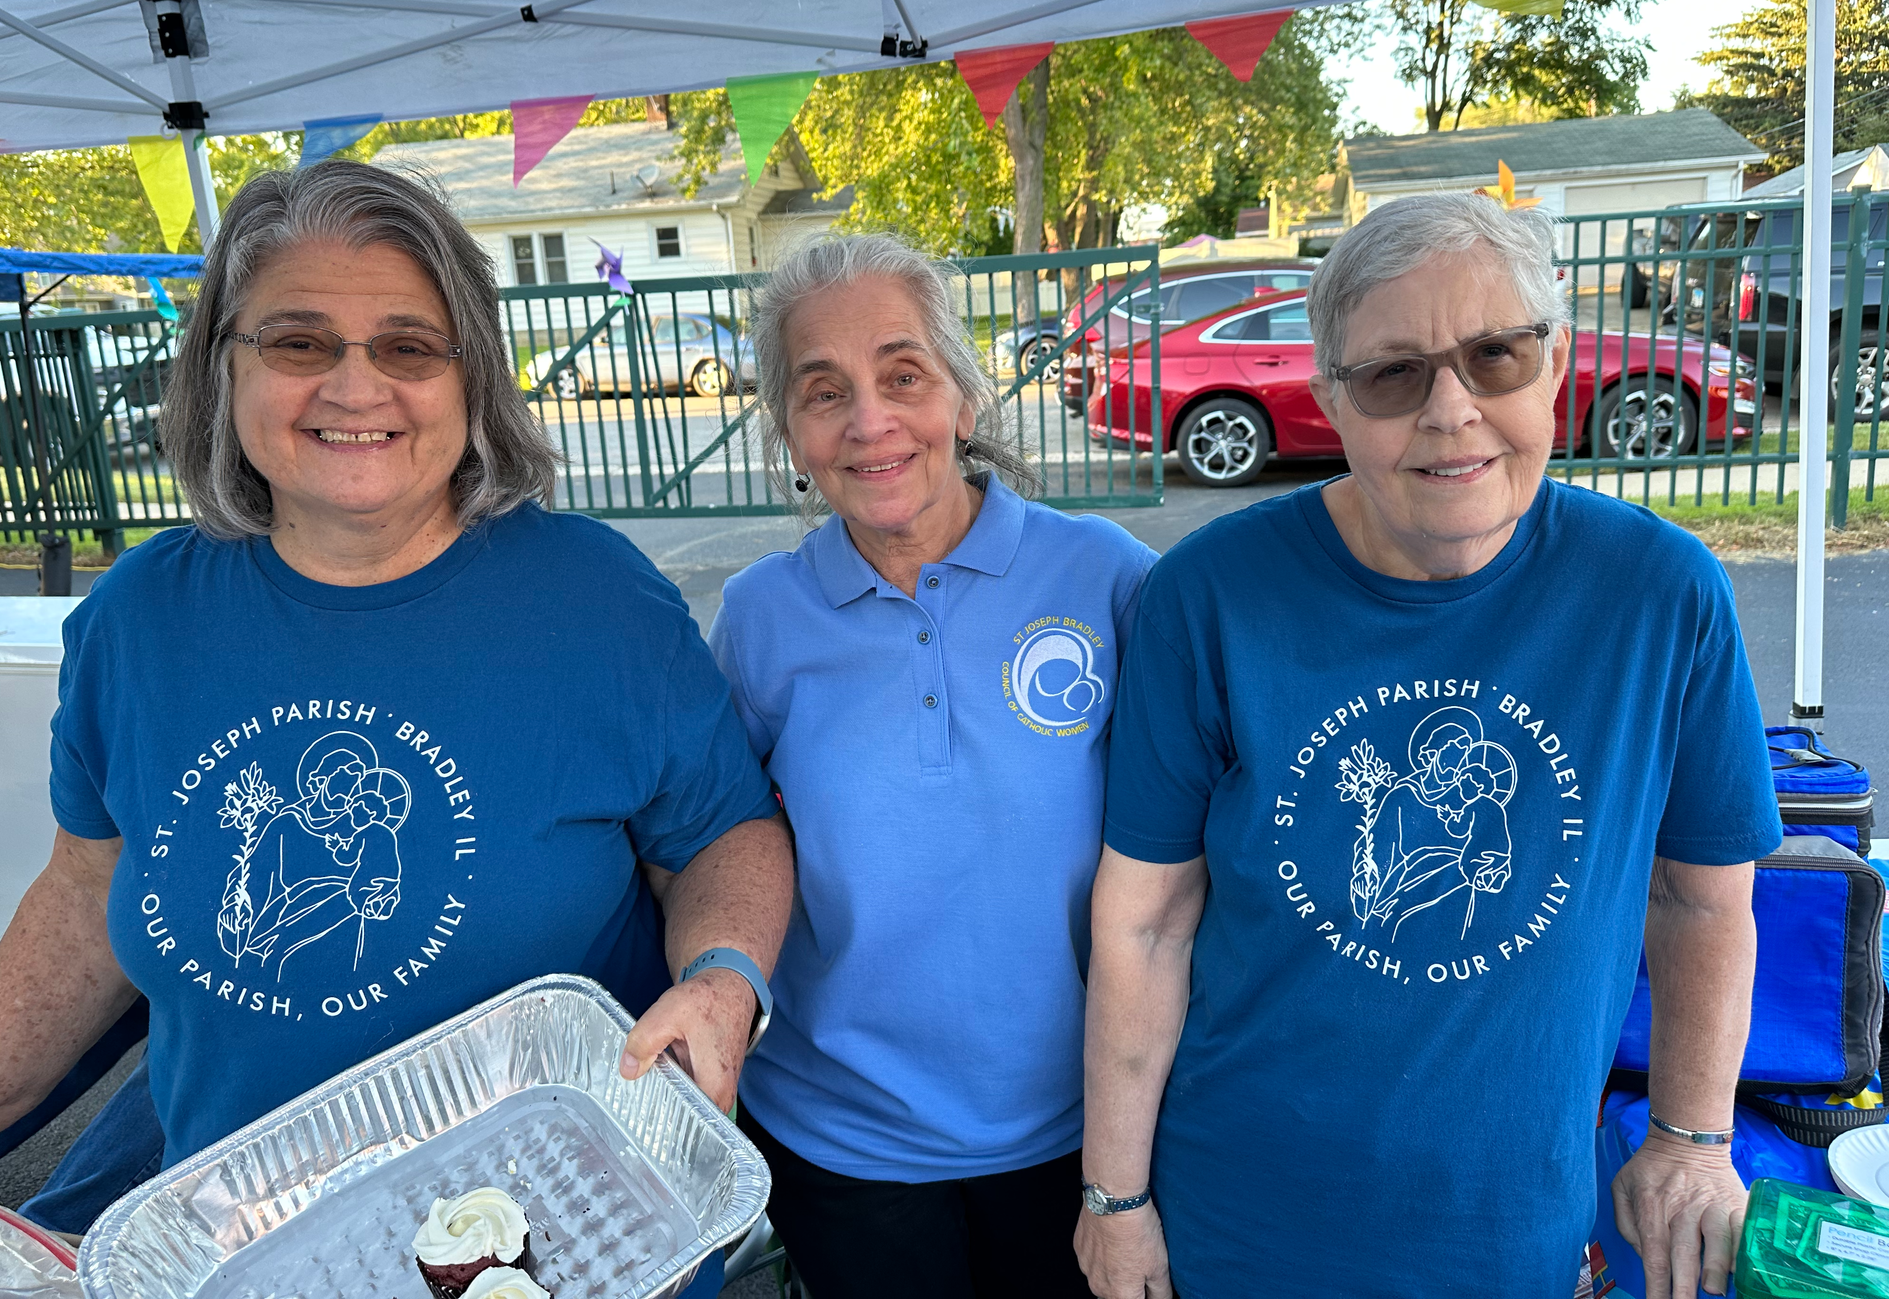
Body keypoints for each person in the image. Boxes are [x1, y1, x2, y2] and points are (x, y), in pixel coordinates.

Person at [0, 164, 793, 1288]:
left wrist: (725, 979)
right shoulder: (137, 622)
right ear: (222, 368)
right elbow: (85, 891)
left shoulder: (595, 601)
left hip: (562, 1244)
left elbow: (721, 833)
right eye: (298, 341)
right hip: (258, 1250)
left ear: (472, 378)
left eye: (409, 347)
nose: (355, 387)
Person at [1075, 192, 1779, 1299]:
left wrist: (1692, 1139)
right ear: (1331, 400)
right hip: (1245, 1215)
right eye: (1394, 374)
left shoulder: (1658, 593)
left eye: (1496, 355)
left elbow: (1702, 899)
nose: (1452, 410)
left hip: (1510, 1224)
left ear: (1555, 364)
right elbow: (1146, 922)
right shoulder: (1208, 597)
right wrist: (1113, 1200)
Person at [708, 233, 1156, 1298]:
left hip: (1080, 1130)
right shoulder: (761, 617)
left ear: (963, 392)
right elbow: (716, 837)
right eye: (825, 392)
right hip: (841, 1141)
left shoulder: (1103, 576)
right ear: (790, 433)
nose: (870, 421)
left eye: (902, 375)